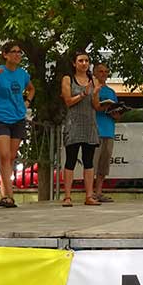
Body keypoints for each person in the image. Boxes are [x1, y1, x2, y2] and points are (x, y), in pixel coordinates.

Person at [0, 41, 34, 208]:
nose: (17, 55)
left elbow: (31, 89)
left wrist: (27, 102)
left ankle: (5, 195)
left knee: (10, 157)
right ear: (5, 54)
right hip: (0, 117)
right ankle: (9, 195)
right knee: (4, 155)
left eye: (19, 52)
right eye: (14, 51)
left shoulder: (22, 74)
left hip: (18, 118)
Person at [61, 51, 100, 207]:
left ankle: (89, 195)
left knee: (88, 161)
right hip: (74, 124)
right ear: (74, 63)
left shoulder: (93, 80)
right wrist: (83, 93)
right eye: (81, 61)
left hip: (90, 124)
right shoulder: (68, 79)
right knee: (70, 160)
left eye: (86, 61)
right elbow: (68, 101)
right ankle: (67, 196)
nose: (84, 63)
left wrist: (95, 94)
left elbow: (96, 105)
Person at [92, 62, 121, 202]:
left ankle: (98, 192)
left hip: (109, 130)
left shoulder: (111, 92)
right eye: (101, 71)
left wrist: (117, 113)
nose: (104, 74)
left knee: (104, 164)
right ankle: (89, 193)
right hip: (95, 129)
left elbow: (116, 113)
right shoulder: (91, 89)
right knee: (92, 163)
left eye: (106, 72)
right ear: (94, 73)